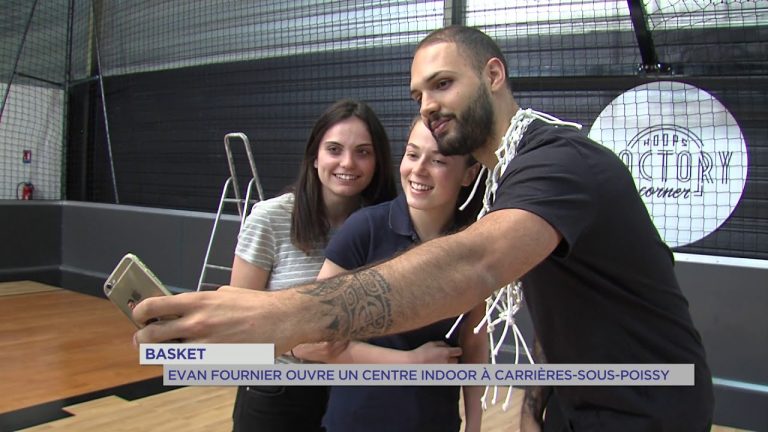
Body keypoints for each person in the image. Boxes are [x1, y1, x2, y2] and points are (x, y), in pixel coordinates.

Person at [134, 25, 714, 431]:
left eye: (442, 84)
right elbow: (560, 301)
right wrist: (540, 406)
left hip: (649, 407)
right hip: (573, 405)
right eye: (417, 95)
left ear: (493, 74)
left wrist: (273, 315)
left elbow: (474, 266)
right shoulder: (498, 181)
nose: (428, 105)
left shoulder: (559, 161)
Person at [297, 117, 487, 432]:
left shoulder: (474, 243)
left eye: (437, 160)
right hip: (358, 421)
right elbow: (309, 342)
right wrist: (409, 364)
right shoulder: (364, 231)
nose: (419, 169)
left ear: (469, 173)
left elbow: (474, 343)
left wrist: (475, 425)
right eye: (412, 155)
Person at [229, 98, 397, 432]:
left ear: (378, 161)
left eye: (363, 152)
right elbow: (235, 326)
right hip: (278, 394)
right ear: (314, 155)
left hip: (352, 397)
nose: (348, 162)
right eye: (334, 149)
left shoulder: (382, 224)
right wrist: (295, 343)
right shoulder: (271, 219)